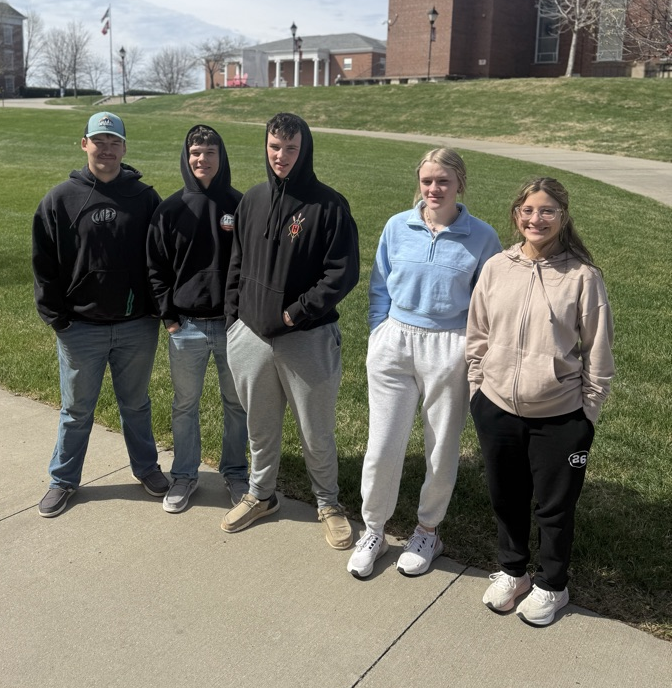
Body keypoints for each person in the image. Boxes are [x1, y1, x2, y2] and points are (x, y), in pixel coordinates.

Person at [467, 177, 614, 627]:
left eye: (547, 211)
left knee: (554, 507)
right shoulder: (497, 267)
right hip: (497, 408)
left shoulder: (582, 277)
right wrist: (478, 389)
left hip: (560, 416)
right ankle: (513, 572)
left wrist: (586, 415)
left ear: (563, 217)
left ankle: (553, 583)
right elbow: (478, 334)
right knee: (506, 497)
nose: (537, 219)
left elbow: (598, 352)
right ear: (517, 214)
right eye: (529, 210)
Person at [347, 148, 501, 579]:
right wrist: (380, 330)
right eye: (427, 180)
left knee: (441, 446)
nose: (433, 189)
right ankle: (374, 528)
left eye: (443, 182)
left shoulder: (482, 236)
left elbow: (489, 301)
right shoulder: (398, 226)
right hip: (395, 340)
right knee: (383, 444)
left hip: (449, 346)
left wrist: (471, 349)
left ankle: (427, 531)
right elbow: (379, 282)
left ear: (460, 185)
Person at [222, 112, 360, 549]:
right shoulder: (252, 200)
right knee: (260, 428)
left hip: (306, 338)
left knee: (315, 431)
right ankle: (262, 495)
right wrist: (233, 321)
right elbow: (237, 263)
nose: (281, 157)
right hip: (250, 338)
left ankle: (328, 503)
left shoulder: (328, 205)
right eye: (275, 147)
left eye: (291, 148)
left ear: (305, 149)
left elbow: (342, 274)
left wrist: (293, 314)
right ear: (266, 147)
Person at [32, 111, 168, 517]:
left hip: (136, 326)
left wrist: (156, 309)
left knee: (136, 405)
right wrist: (56, 317)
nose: (106, 149)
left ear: (124, 148)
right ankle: (63, 480)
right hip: (81, 327)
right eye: (99, 141)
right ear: (84, 143)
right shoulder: (60, 199)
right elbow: (44, 263)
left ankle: (146, 469)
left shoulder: (145, 199)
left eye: (114, 142)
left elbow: (161, 258)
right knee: (76, 410)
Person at [147, 125, 249, 513]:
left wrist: (239, 316)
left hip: (231, 327)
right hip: (185, 327)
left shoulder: (240, 205)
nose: (202, 159)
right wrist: (169, 318)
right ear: (186, 157)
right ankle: (185, 475)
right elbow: (155, 267)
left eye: (209, 152)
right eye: (195, 152)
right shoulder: (170, 209)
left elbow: (251, 266)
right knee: (185, 404)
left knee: (236, 404)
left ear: (221, 158)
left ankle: (236, 473)